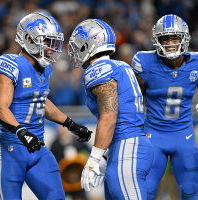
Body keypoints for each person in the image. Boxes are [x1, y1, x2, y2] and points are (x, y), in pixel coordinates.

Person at [0, 12, 92, 200]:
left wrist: (71, 124)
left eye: (53, 42)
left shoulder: (46, 68)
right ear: (29, 39)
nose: (52, 48)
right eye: (47, 41)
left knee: (56, 197)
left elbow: (41, 101)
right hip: (11, 149)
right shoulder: (10, 63)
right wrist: (23, 133)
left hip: (37, 147)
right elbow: (0, 107)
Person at [68, 19, 154, 199]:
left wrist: (94, 158)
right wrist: (105, 156)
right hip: (128, 145)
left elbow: (109, 116)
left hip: (126, 147)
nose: (75, 51)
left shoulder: (99, 69)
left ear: (88, 45)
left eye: (78, 46)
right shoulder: (120, 65)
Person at [131, 14, 198, 200]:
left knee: (190, 193)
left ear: (185, 39)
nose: (170, 42)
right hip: (153, 135)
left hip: (185, 135)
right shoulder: (144, 63)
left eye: (175, 37)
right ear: (156, 41)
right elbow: (133, 103)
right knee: (145, 192)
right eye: (165, 38)